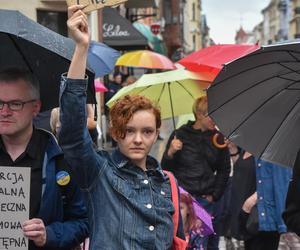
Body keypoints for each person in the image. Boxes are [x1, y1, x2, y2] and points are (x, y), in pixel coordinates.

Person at [58, 5, 185, 249]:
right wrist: (81, 48)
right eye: (128, 131)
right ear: (116, 132)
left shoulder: (168, 182)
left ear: (157, 133)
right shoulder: (100, 171)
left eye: (147, 131)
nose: (138, 139)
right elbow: (72, 135)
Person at [0, 67, 89, 250]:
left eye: (15, 104)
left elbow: (84, 220)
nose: (4, 111)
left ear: (36, 108)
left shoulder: (60, 159)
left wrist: (49, 234)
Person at [161, 96, 231, 249]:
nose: (215, 119)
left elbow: (224, 169)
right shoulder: (180, 134)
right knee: (183, 241)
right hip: (184, 201)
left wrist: (214, 195)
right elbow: (165, 168)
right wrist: (171, 152)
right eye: (211, 114)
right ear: (199, 114)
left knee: (205, 243)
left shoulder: (217, 138)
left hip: (206, 201)